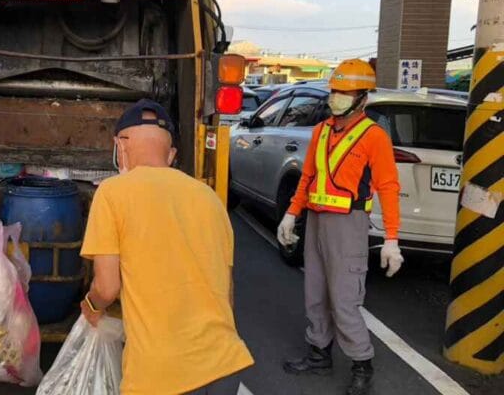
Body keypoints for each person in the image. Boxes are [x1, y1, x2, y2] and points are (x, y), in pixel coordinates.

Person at [79, 99, 254, 395]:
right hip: (224, 363)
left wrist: (92, 306)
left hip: (160, 375)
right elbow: (227, 291)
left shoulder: (112, 193)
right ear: (171, 154)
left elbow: (107, 287)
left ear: (120, 146)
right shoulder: (209, 198)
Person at [276, 59, 403, 395]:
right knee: (314, 292)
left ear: (362, 98)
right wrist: (291, 214)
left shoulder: (373, 136)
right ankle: (319, 355)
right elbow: (308, 177)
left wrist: (391, 238)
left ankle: (362, 364)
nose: (337, 98)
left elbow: (388, 185)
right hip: (316, 220)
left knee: (344, 298)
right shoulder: (320, 131)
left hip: (349, 224)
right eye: (334, 91)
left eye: (345, 93)